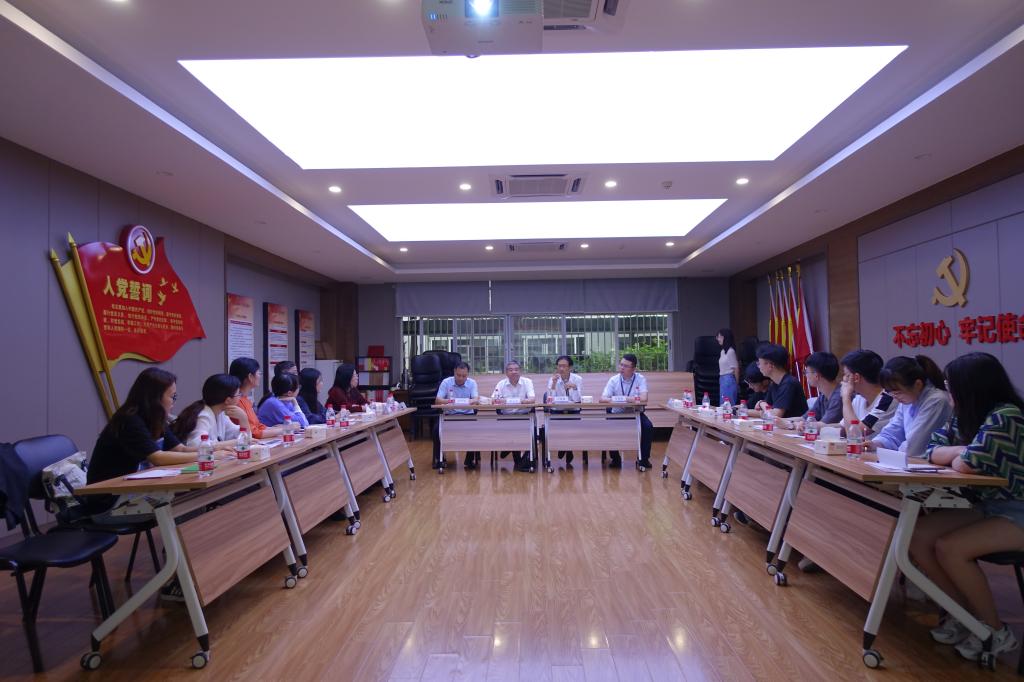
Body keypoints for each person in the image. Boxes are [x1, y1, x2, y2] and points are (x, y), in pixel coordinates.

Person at [909, 352, 1024, 661]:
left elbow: (967, 463)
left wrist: (960, 455)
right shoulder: (966, 414)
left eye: (951, 384)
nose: (947, 390)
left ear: (971, 386)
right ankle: (962, 615)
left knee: (950, 548)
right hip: (989, 505)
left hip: (1017, 510)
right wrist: (961, 451)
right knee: (917, 536)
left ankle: (996, 631)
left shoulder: (1007, 415)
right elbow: (931, 450)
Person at [85, 368, 197, 518]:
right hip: (109, 498)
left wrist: (214, 451)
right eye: (172, 396)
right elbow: (158, 458)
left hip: (132, 489)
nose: (174, 402)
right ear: (155, 398)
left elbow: (181, 449)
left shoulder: (155, 418)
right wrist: (204, 456)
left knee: (188, 499)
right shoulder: (129, 420)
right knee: (182, 504)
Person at [868, 355, 951, 457]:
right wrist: (875, 444)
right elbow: (892, 432)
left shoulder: (937, 400)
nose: (895, 397)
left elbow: (914, 446)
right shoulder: (908, 398)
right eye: (890, 392)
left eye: (897, 392)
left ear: (918, 384)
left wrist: (890, 455)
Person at [601, 353, 654, 470]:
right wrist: (617, 399)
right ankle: (615, 458)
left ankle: (643, 459)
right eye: (621, 365)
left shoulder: (640, 379)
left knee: (648, 427)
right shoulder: (614, 380)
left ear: (633, 369)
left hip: (636, 413)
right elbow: (602, 399)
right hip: (617, 413)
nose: (622, 368)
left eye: (625, 366)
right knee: (609, 427)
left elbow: (644, 398)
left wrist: (625, 398)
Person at [169, 373, 248, 447]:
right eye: (238, 394)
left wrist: (243, 418)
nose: (240, 397)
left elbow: (242, 437)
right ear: (227, 400)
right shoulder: (203, 415)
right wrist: (235, 442)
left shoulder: (221, 413)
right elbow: (197, 445)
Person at [433, 362, 480, 470]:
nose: (461, 378)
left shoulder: (472, 383)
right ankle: (440, 459)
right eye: (458, 375)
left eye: (464, 376)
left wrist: (469, 401)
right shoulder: (446, 382)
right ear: (454, 372)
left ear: (467, 375)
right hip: (449, 416)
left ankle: (469, 460)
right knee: (436, 431)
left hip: (467, 416)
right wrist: (451, 401)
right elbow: (438, 400)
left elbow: (476, 399)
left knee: (476, 430)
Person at [839, 349, 897, 436]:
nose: (843, 379)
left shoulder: (888, 399)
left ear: (856, 377)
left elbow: (856, 433)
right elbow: (843, 426)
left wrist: (846, 398)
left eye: (846, 375)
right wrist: (820, 426)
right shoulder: (859, 398)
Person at [780, 351, 843, 430]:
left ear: (816, 376)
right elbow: (804, 418)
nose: (805, 376)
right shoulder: (823, 396)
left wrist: (791, 424)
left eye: (806, 372)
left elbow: (824, 425)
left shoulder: (839, 396)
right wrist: (779, 420)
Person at [492, 360, 536, 472]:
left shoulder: (527, 382)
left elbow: (532, 399)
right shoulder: (501, 384)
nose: (514, 372)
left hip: (524, 416)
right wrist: (522, 401)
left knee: (533, 434)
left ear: (520, 371)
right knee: (513, 431)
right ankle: (517, 460)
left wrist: (508, 401)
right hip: (507, 417)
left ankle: (518, 457)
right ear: (506, 372)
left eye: (516, 369)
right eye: (511, 370)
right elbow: (494, 400)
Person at [229, 357, 284, 439]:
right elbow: (254, 433)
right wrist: (284, 430)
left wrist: (279, 428)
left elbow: (258, 426)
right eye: (259, 373)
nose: (260, 376)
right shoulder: (237, 401)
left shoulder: (245, 399)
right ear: (250, 377)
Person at [546, 355, 584, 465]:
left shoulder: (577, 379)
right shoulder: (552, 379)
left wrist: (574, 388)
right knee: (560, 429)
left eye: (564, 366)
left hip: (573, 411)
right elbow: (550, 400)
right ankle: (567, 449)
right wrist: (553, 384)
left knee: (570, 430)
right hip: (557, 411)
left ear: (570, 367)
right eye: (559, 366)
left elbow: (578, 400)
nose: (561, 369)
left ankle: (565, 448)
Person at [753, 343, 808, 419]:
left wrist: (761, 403)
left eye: (759, 363)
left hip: (794, 425)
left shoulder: (789, 383)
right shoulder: (774, 383)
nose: (758, 367)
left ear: (770, 365)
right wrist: (741, 411)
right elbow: (766, 411)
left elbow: (775, 415)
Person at [717, 328, 740, 405]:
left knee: (728, 404)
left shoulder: (731, 351)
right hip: (722, 379)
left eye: (720, 337)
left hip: (729, 379)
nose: (718, 339)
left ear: (725, 338)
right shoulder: (722, 351)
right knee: (722, 403)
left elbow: (736, 369)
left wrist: (736, 384)